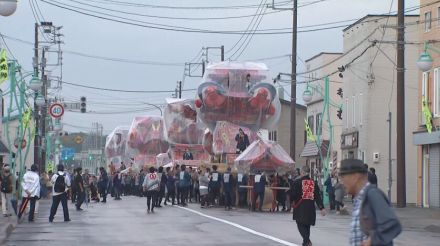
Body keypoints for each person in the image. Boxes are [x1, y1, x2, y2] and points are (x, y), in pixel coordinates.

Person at [339, 159, 401, 246]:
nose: (341, 182)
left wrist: (372, 240)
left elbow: (392, 224)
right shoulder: (359, 200)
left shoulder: (372, 194)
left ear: (355, 177)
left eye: (343, 177)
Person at [291, 165, 326, 246]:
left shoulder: (297, 182)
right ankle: (305, 242)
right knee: (307, 225)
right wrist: (322, 208)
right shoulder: (313, 182)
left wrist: (291, 200)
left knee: (300, 223)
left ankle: (307, 241)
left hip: (300, 207)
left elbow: (293, 194)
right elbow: (317, 196)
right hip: (310, 207)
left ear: (302, 172)